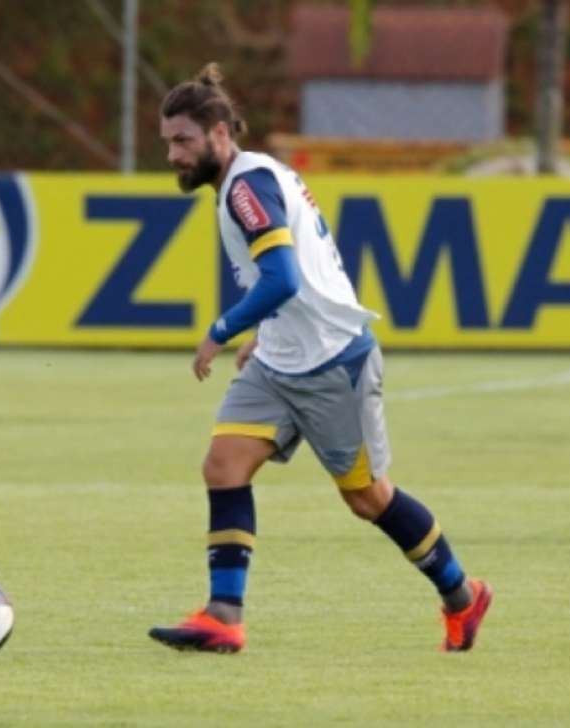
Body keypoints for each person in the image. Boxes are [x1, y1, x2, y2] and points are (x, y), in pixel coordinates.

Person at [149, 63, 492, 654]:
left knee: (368, 498)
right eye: (168, 143)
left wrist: (225, 328)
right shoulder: (253, 178)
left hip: (335, 364)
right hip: (282, 361)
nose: (174, 154)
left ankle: (464, 597)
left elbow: (282, 276)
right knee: (223, 465)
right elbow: (296, 271)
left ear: (220, 134)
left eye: (183, 140)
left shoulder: (244, 187)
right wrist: (270, 333)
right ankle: (224, 616)